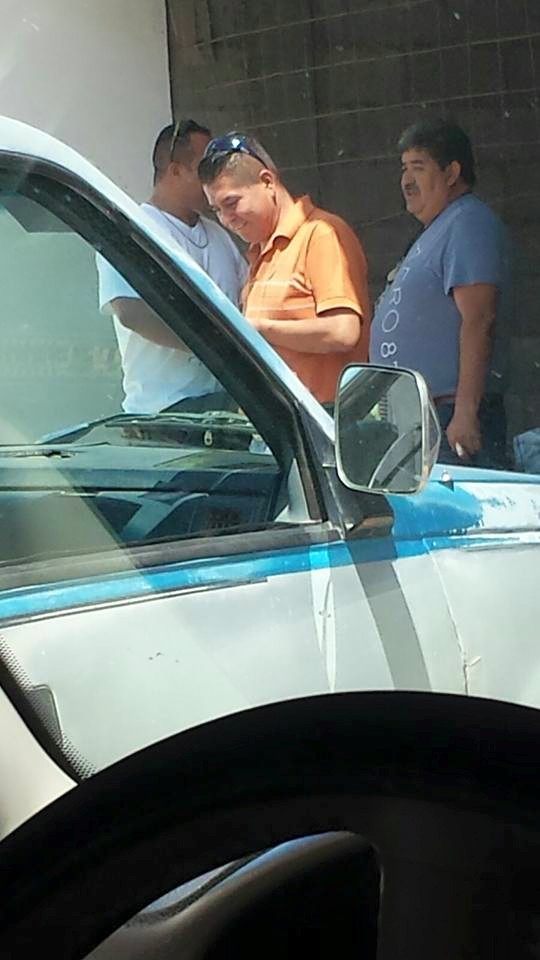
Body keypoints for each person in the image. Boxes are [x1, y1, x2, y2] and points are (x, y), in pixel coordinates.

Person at [370, 119, 511, 468]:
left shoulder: (467, 222)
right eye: (404, 168)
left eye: (418, 167)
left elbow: (479, 319)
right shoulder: (437, 229)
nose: (406, 180)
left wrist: (465, 413)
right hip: (418, 414)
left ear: (451, 173)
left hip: (448, 417)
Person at [198, 132, 371, 407]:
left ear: (267, 182)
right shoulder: (259, 252)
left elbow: (343, 331)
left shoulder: (320, 233)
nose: (226, 220)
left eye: (231, 203)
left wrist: (257, 329)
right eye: (216, 210)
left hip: (323, 417)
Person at [97, 119, 248, 414]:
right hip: (165, 413)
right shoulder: (131, 230)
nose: (217, 179)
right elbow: (131, 312)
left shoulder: (219, 234)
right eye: (206, 169)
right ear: (176, 170)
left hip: (225, 405)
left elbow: (247, 302)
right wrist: (215, 348)